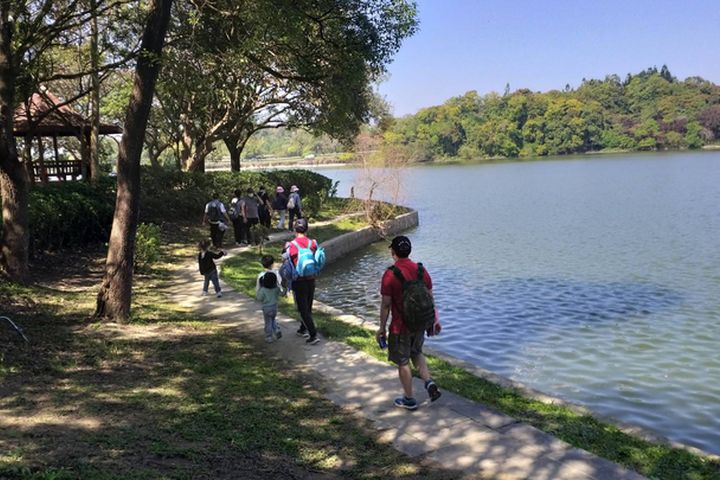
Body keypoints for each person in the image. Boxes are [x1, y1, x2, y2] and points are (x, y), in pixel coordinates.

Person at [376, 235, 442, 410]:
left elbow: (386, 305)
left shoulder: (390, 274)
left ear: (393, 252)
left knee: (403, 361)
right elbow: (430, 297)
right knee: (417, 352)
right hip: (420, 323)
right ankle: (428, 382)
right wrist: (434, 320)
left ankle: (409, 399)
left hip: (401, 326)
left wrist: (382, 328)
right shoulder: (420, 270)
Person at [283, 218, 320, 345]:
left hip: (298, 281)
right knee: (307, 306)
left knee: (302, 308)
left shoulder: (291, 245)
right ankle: (303, 328)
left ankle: (313, 334)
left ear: (294, 230)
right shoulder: (313, 243)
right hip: (311, 279)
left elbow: (285, 260)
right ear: (307, 229)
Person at [256, 271, 282, 343]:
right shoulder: (276, 289)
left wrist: (259, 290)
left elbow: (259, 298)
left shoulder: (263, 290)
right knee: (273, 319)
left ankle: (269, 336)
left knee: (268, 322)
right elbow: (281, 293)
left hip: (267, 308)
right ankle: (276, 329)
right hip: (274, 307)